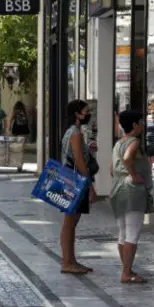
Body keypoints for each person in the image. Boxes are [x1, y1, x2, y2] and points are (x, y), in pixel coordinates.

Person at [110, 110, 151, 284]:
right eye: (141, 121)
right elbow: (127, 159)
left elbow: (111, 169)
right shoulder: (134, 141)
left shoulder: (118, 143)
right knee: (132, 234)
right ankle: (126, 273)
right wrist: (134, 174)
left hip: (118, 189)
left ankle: (127, 269)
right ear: (134, 125)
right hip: (132, 191)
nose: (143, 125)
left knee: (123, 233)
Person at [60, 100, 97, 274]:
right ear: (77, 114)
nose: (88, 114)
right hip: (75, 180)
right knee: (70, 222)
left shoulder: (71, 132)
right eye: (85, 111)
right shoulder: (75, 133)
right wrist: (89, 184)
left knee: (71, 222)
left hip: (70, 178)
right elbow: (79, 161)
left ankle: (71, 260)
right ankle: (67, 262)